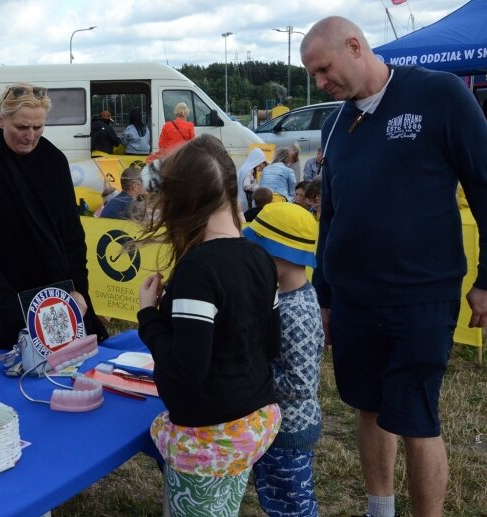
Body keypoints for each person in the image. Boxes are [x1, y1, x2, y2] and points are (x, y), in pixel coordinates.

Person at [301, 16, 487, 517]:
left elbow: (485, 186)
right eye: (313, 76)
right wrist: (324, 296)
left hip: (421, 293)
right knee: (368, 405)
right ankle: (379, 509)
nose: (320, 84)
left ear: (356, 46)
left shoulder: (440, 95)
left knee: (416, 415)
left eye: (324, 70)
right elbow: (331, 215)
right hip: (354, 296)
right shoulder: (334, 121)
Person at [135, 134, 281, 516]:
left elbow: (188, 368)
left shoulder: (197, 271)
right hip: (251, 421)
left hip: (209, 434)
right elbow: (271, 345)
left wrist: (149, 315)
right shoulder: (261, 258)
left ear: (184, 203)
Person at [0, 83, 108, 349]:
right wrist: (8, 306)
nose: (30, 136)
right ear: (2, 120)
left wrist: (78, 289)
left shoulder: (54, 161)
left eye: (38, 127)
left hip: (51, 291)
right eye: (21, 127)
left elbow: (72, 234)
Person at [244, 202, 324, 517]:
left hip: (288, 431)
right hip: (276, 426)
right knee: (278, 501)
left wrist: (249, 372)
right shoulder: (286, 295)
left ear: (279, 258)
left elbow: (301, 383)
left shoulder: (298, 311)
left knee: (291, 507)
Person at [236, 147, 268, 212]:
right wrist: (258, 187)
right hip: (245, 201)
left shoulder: (243, 168)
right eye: (261, 162)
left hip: (239, 200)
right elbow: (246, 186)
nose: (260, 165)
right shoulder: (248, 170)